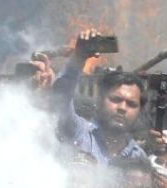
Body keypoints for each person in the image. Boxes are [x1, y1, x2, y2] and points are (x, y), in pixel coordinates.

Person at [54, 33, 147, 166]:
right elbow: (59, 99)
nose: (122, 108)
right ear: (99, 100)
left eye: (131, 104)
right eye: (115, 99)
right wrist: (79, 57)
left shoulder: (138, 158)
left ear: (139, 111)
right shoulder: (79, 132)